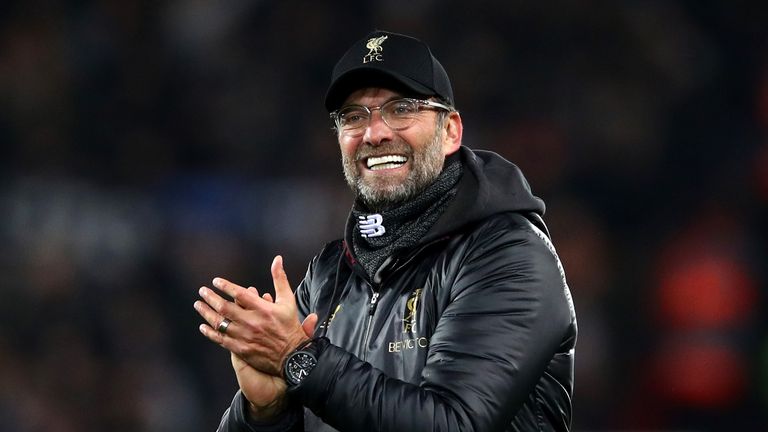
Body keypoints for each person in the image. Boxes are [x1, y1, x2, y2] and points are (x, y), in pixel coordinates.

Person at [193, 30, 577, 432]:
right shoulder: (329, 273)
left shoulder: (509, 255)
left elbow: (456, 424)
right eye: (353, 116)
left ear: (450, 132)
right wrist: (265, 414)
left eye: (401, 109)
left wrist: (299, 359)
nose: (375, 134)